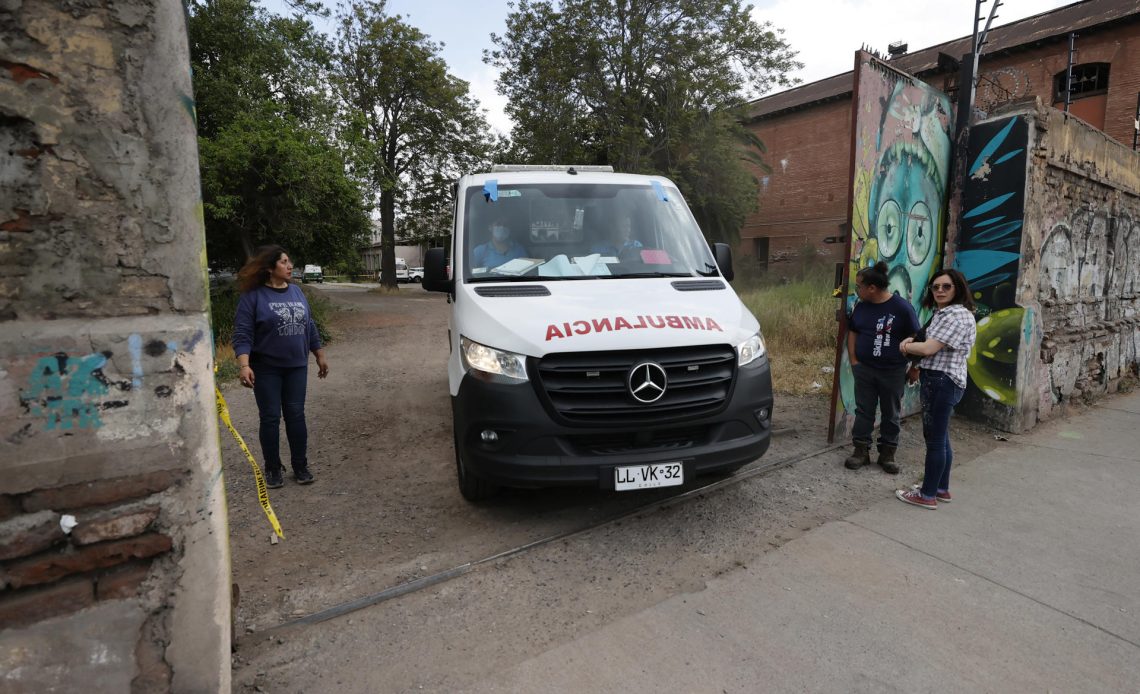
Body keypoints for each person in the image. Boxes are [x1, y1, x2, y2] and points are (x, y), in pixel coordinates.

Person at [233, 245, 329, 489]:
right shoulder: (253, 296)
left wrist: (319, 354)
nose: (290, 266)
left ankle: (300, 465)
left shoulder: (296, 292)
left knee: (296, 415)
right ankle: (273, 467)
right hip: (266, 368)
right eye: (284, 262)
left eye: (289, 261)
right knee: (270, 418)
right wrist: (244, 365)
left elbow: (309, 325)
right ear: (269, 268)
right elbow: (243, 333)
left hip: (296, 366)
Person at [895, 269, 977, 509]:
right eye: (935, 287)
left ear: (958, 288)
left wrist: (907, 345)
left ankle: (927, 494)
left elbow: (930, 348)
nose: (939, 291)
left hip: (942, 382)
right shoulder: (945, 313)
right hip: (942, 380)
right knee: (941, 439)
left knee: (935, 440)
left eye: (946, 287)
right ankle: (940, 488)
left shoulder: (955, 316)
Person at [843, 261, 921, 474]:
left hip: (893, 371)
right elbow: (853, 332)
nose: (856, 290)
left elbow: (917, 337)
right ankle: (861, 451)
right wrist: (854, 360)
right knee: (864, 411)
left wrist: (915, 366)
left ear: (872, 288)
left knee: (891, 413)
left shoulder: (902, 308)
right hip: (865, 369)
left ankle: (888, 454)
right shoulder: (862, 307)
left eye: (859, 286)